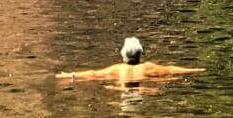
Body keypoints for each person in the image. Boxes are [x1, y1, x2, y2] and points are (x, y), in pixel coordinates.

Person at [56, 36, 201, 84]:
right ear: (140, 53)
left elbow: (93, 74)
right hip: (142, 89)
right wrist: (196, 70)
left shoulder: (117, 68)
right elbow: (171, 69)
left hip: (120, 89)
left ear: (123, 53)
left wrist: (70, 75)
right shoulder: (146, 67)